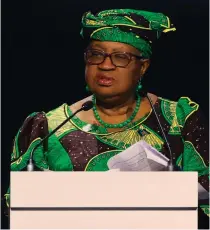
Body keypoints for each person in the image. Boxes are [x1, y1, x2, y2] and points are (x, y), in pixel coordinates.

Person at [3, 8, 209, 224]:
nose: (105, 65)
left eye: (121, 57)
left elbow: (206, 195)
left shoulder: (178, 118)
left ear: (142, 67)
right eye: (96, 54)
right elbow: (19, 206)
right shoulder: (46, 128)